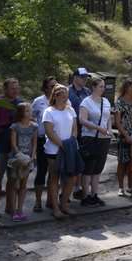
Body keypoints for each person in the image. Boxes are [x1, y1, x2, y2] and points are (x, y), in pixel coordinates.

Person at [0, 77, 23, 219]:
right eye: (13, 88)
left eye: (17, 88)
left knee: (13, 178)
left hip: (15, 147)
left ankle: (10, 206)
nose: (15, 90)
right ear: (5, 89)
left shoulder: (20, 104)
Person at [43, 84, 80, 220]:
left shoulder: (70, 110)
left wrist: (70, 143)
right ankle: (55, 207)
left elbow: (75, 129)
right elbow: (49, 131)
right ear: (56, 95)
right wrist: (62, 145)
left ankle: (64, 204)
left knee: (71, 177)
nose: (65, 97)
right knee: (54, 178)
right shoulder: (49, 111)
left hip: (70, 149)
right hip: (54, 150)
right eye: (62, 94)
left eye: (66, 94)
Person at [79, 77, 113, 207]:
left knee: (98, 169)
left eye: (104, 87)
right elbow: (82, 120)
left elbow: (109, 117)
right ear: (93, 87)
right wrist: (97, 128)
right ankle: (85, 196)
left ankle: (94, 194)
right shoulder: (86, 102)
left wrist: (109, 130)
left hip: (103, 139)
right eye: (100, 86)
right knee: (88, 169)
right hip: (90, 138)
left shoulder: (106, 101)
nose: (103, 89)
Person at [8, 103, 37, 222]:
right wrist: (20, 156)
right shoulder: (15, 126)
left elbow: (34, 143)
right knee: (14, 184)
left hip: (29, 159)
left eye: (30, 110)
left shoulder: (34, 126)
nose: (30, 113)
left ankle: (20, 210)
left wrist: (32, 156)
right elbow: (13, 144)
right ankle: (13, 211)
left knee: (24, 184)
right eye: (27, 111)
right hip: (17, 159)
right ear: (21, 113)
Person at [32, 76, 57, 212]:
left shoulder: (60, 101)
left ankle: (51, 200)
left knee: (54, 172)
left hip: (56, 140)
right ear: (45, 88)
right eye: (51, 86)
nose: (53, 88)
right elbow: (31, 117)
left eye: (55, 85)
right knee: (42, 170)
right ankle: (37, 201)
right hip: (42, 139)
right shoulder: (38, 102)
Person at [114, 78, 132, 196]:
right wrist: (126, 135)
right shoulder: (119, 102)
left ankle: (131, 186)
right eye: (131, 87)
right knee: (122, 162)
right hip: (123, 136)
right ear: (125, 87)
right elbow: (117, 122)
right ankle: (121, 187)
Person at [68, 68, 91, 200]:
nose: (84, 79)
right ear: (75, 77)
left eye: (86, 77)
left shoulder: (87, 92)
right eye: (82, 77)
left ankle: (79, 188)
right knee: (72, 161)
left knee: (83, 160)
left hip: (85, 130)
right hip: (70, 130)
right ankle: (68, 190)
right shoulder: (67, 91)